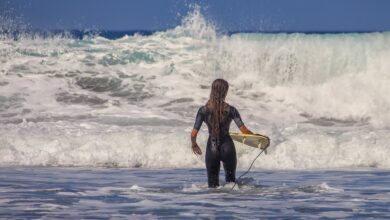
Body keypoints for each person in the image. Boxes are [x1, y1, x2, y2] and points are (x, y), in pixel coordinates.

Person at [191, 79, 253, 188]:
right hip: (228, 147)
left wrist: (194, 144)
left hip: (212, 148)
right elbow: (244, 131)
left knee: (212, 186)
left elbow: (193, 133)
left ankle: (215, 204)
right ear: (225, 92)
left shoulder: (203, 110)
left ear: (212, 91)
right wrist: (258, 139)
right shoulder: (231, 110)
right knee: (231, 184)